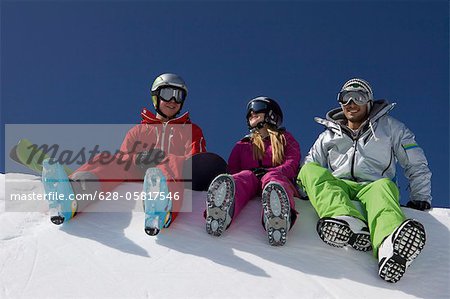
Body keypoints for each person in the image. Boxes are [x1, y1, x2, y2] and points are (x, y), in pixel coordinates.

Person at [297, 78, 431, 283]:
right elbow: (310, 164)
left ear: (369, 101)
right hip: (338, 184)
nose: (351, 103)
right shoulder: (328, 135)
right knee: (309, 170)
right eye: (345, 98)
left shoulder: (390, 128)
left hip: (373, 185)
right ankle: (345, 219)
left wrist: (420, 197)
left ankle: (389, 246)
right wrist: (303, 194)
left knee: (384, 188)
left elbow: (415, 162)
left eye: (358, 97)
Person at [63, 73, 206, 235]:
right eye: (167, 94)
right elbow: (123, 159)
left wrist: (166, 160)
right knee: (108, 159)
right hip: (138, 173)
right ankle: (76, 192)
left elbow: (196, 162)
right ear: (156, 97)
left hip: (172, 177)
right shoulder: (138, 131)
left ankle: (162, 206)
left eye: (178, 96)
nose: (173, 100)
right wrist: (139, 158)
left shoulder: (191, 130)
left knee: (172, 161)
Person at [205, 97, 301, 246]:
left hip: (275, 179)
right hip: (251, 180)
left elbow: (292, 162)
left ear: (271, 114)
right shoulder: (243, 144)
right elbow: (233, 169)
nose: (252, 113)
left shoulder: (285, 139)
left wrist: (273, 171)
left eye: (257, 108)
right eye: (249, 112)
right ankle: (221, 211)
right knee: (244, 176)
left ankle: (278, 217)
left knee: (273, 177)